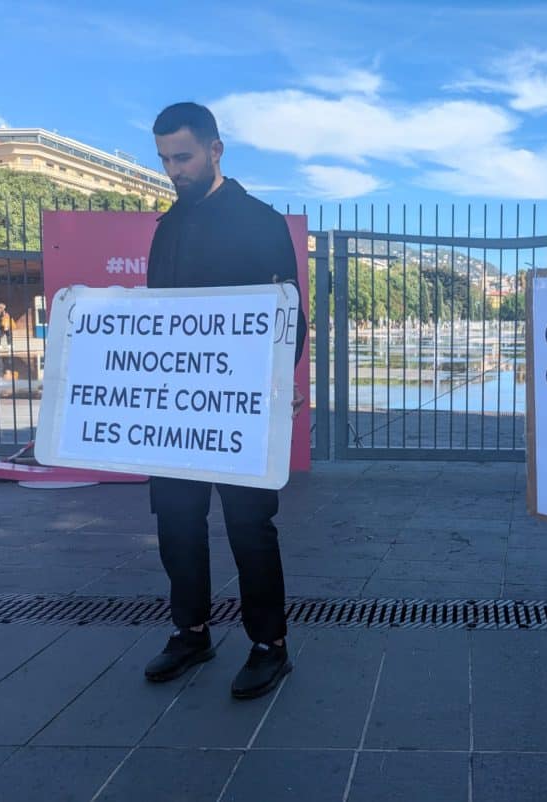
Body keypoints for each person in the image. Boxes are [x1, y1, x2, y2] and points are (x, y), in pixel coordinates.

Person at [142, 102, 307, 700]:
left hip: (240, 408)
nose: (173, 170)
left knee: (249, 526)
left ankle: (269, 646)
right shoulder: (167, 227)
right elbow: (153, 319)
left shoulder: (260, 223)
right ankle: (191, 632)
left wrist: (274, 382)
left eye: (183, 157)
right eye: (165, 160)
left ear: (215, 150)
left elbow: (290, 318)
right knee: (176, 522)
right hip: (175, 408)